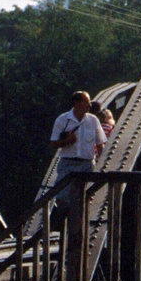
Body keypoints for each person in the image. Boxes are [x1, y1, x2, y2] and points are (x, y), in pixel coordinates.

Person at [49, 90, 104, 219]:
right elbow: (53, 143)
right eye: (86, 102)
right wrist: (66, 141)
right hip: (67, 164)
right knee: (62, 198)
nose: (89, 105)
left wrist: (101, 164)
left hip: (86, 164)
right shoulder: (63, 120)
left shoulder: (93, 120)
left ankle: (77, 226)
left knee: (84, 198)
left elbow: (100, 143)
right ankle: (64, 224)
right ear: (77, 103)